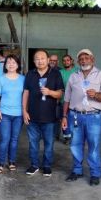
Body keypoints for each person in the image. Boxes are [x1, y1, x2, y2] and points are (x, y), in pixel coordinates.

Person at [61, 49, 101, 186]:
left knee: (93, 145)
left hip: (93, 116)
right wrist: (64, 116)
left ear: (92, 59)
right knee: (75, 144)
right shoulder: (73, 76)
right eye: (81, 59)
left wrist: (95, 95)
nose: (84, 60)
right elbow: (66, 99)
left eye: (86, 58)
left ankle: (95, 173)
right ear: (77, 61)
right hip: (75, 115)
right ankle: (77, 170)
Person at [23, 49, 64, 177]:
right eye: (37, 59)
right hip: (32, 116)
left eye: (42, 58)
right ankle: (34, 165)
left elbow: (60, 93)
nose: (40, 61)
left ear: (47, 60)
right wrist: (24, 111)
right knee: (33, 143)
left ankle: (47, 165)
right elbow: (26, 93)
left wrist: (50, 92)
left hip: (50, 117)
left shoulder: (56, 74)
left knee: (49, 143)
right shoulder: (30, 74)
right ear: (34, 61)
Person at [0, 54, 25, 173]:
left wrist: (25, 111)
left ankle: (12, 161)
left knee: (14, 139)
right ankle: (1, 163)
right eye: (9, 62)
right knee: (4, 139)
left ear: (18, 65)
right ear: (5, 65)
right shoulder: (1, 79)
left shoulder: (23, 79)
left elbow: (26, 96)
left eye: (14, 62)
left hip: (19, 114)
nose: (11, 64)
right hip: (4, 114)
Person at [59, 54, 78, 144]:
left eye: (68, 60)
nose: (66, 62)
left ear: (71, 61)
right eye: (64, 60)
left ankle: (75, 137)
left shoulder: (77, 71)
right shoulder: (61, 72)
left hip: (76, 101)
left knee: (75, 120)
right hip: (64, 100)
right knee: (64, 118)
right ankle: (67, 137)